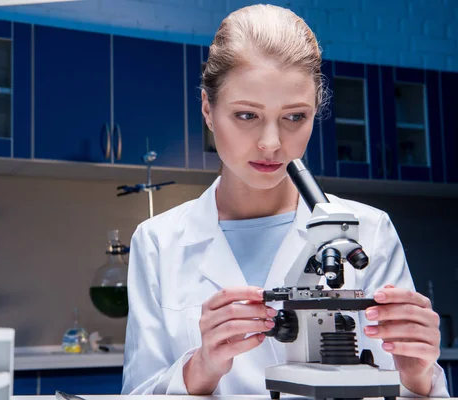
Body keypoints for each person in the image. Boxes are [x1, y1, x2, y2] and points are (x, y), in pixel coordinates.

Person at [121, 4, 449, 397]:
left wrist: (419, 377)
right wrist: (201, 368)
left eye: (294, 117)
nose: (271, 143)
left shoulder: (369, 230)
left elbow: (400, 384)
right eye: (246, 115)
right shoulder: (159, 241)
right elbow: (136, 392)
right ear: (208, 109)